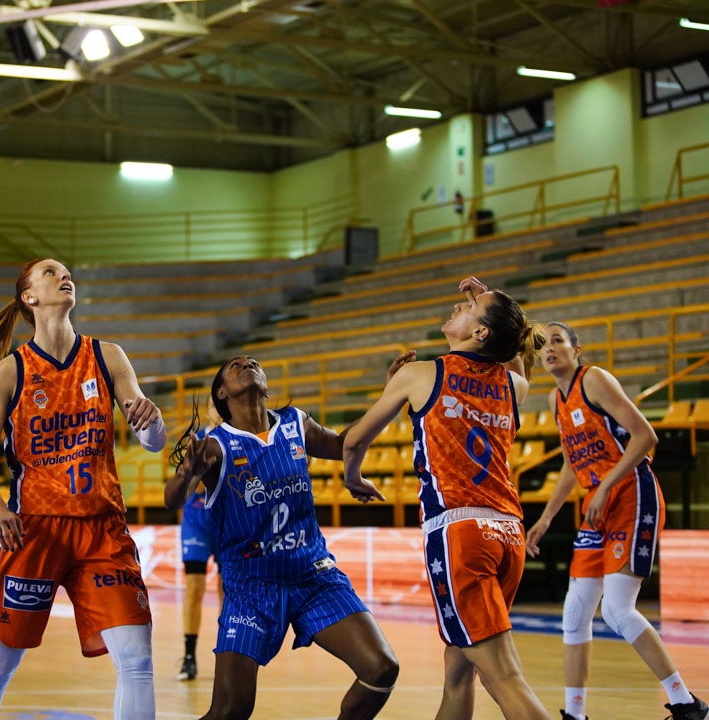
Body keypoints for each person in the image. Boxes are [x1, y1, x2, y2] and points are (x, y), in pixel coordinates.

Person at [0, 258, 166, 720]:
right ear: (29, 297)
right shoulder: (9, 372)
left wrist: (153, 422)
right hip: (32, 530)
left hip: (102, 529)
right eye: (50, 271)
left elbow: (152, 442)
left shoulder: (107, 355)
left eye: (66, 271)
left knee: (137, 661)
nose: (64, 276)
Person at [341, 276, 551, 720]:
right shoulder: (515, 387)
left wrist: (353, 476)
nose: (462, 303)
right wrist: (494, 303)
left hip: (460, 533)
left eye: (473, 305)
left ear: (481, 333)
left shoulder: (420, 374)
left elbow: (353, 441)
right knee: (458, 676)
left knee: (506, 679)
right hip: (507, 533)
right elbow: (515, 352)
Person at [165, 355, 402, 720]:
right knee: (231, 709)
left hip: (314, 576)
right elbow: (173, 501)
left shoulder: (295, 423)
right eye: (235, 365)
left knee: (381, 669)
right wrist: (186, 476)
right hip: (250, 587)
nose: (247, 363)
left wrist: (390, 398)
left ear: (266, 386)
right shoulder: (214, 445)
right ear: (222, 394)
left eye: (253, 361)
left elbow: (344, 445)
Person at [525, 322, 708, 720]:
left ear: (577, 349)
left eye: (559, 341)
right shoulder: (558, 401)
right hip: (599, 498)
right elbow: (573, 466)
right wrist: (546, 517)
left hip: (631, 491)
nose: (550, 349)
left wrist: (607, 484)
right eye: (546, 345)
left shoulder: (595, 380)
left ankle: (686, 703)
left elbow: (645, 436)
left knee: (617, 610)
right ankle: (575, 714)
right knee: (574, 613)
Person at [176, 395, 224, 681]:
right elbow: (184, 488)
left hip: (225, 521)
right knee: (194, 588)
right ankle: (190, 656)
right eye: (213, 407)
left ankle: (225, 653)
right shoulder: (198, 441)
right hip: (197, 522)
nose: (217, 413)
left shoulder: (238, 439)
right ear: (207, 412)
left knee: (226, 590)